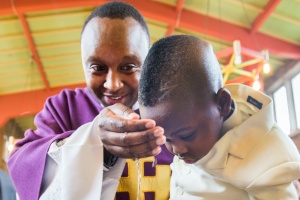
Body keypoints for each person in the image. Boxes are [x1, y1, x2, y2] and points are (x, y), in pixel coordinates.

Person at [8, 2, 172, 200]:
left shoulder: (172, 108)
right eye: (98, 68)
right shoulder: (64, 107)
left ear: (146, 63)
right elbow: (22, 166)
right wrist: (91, 141)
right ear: (84, 64)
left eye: (128, 67)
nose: (113, 84)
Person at [138, 34, 300, 199]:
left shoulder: (270, 161)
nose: (177, 150)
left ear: (223, 104)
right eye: (167, 139)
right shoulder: (188, 124)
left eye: (187, 134)